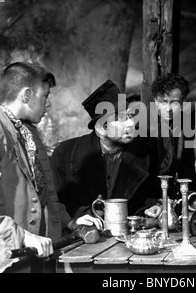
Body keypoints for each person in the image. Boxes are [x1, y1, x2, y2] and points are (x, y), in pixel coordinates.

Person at [0, 62, 101, 273]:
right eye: (45, 95)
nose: (48, 103)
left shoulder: (28, 133)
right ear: (26, 95)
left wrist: (70, 222)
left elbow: (44, 195)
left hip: (36, 261)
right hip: (7, 262)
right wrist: (24, 236)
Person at [50, 80, 161, 223]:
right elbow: (55, 201)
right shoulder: (64, 153)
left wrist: (150, 207)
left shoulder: (144, 153)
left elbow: (149, 195)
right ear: (101, 129)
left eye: (129, 116)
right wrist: (81, 214)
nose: (130, 124)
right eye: (119, 119)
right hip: (80, 236)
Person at [149, 74, 196, 199]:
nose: (168, 109)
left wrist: (192, 198)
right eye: (163, 102)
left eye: (174, 103)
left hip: (172, 194)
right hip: (147, 196)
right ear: (156, 101)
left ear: (183, 102)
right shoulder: (143, 127)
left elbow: (188, 171)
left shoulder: (185, 127)